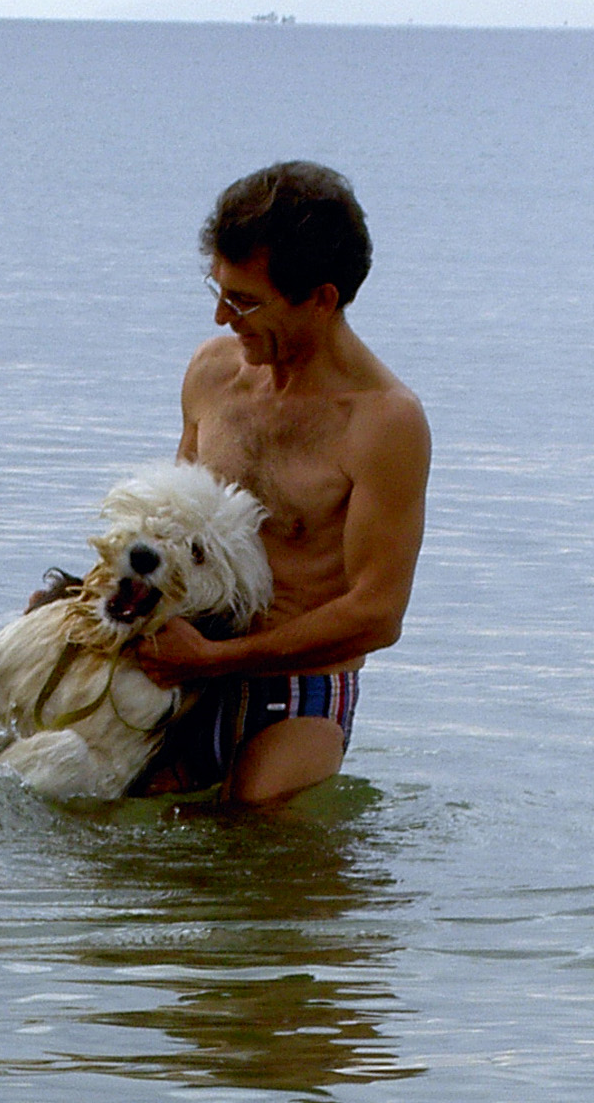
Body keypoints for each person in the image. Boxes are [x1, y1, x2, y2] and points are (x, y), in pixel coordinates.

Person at [130, 161, 430, 806]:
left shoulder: (383, 422)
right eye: (217, 290)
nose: (221, 317)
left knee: (254, 815)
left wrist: (215, 660)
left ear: (321, 299)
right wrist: (90, 602)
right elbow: (170, 531)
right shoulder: (213, 374)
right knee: (88, 808)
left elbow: (377, 614)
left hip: (297, 691)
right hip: (184, 662)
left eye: (244, 301)